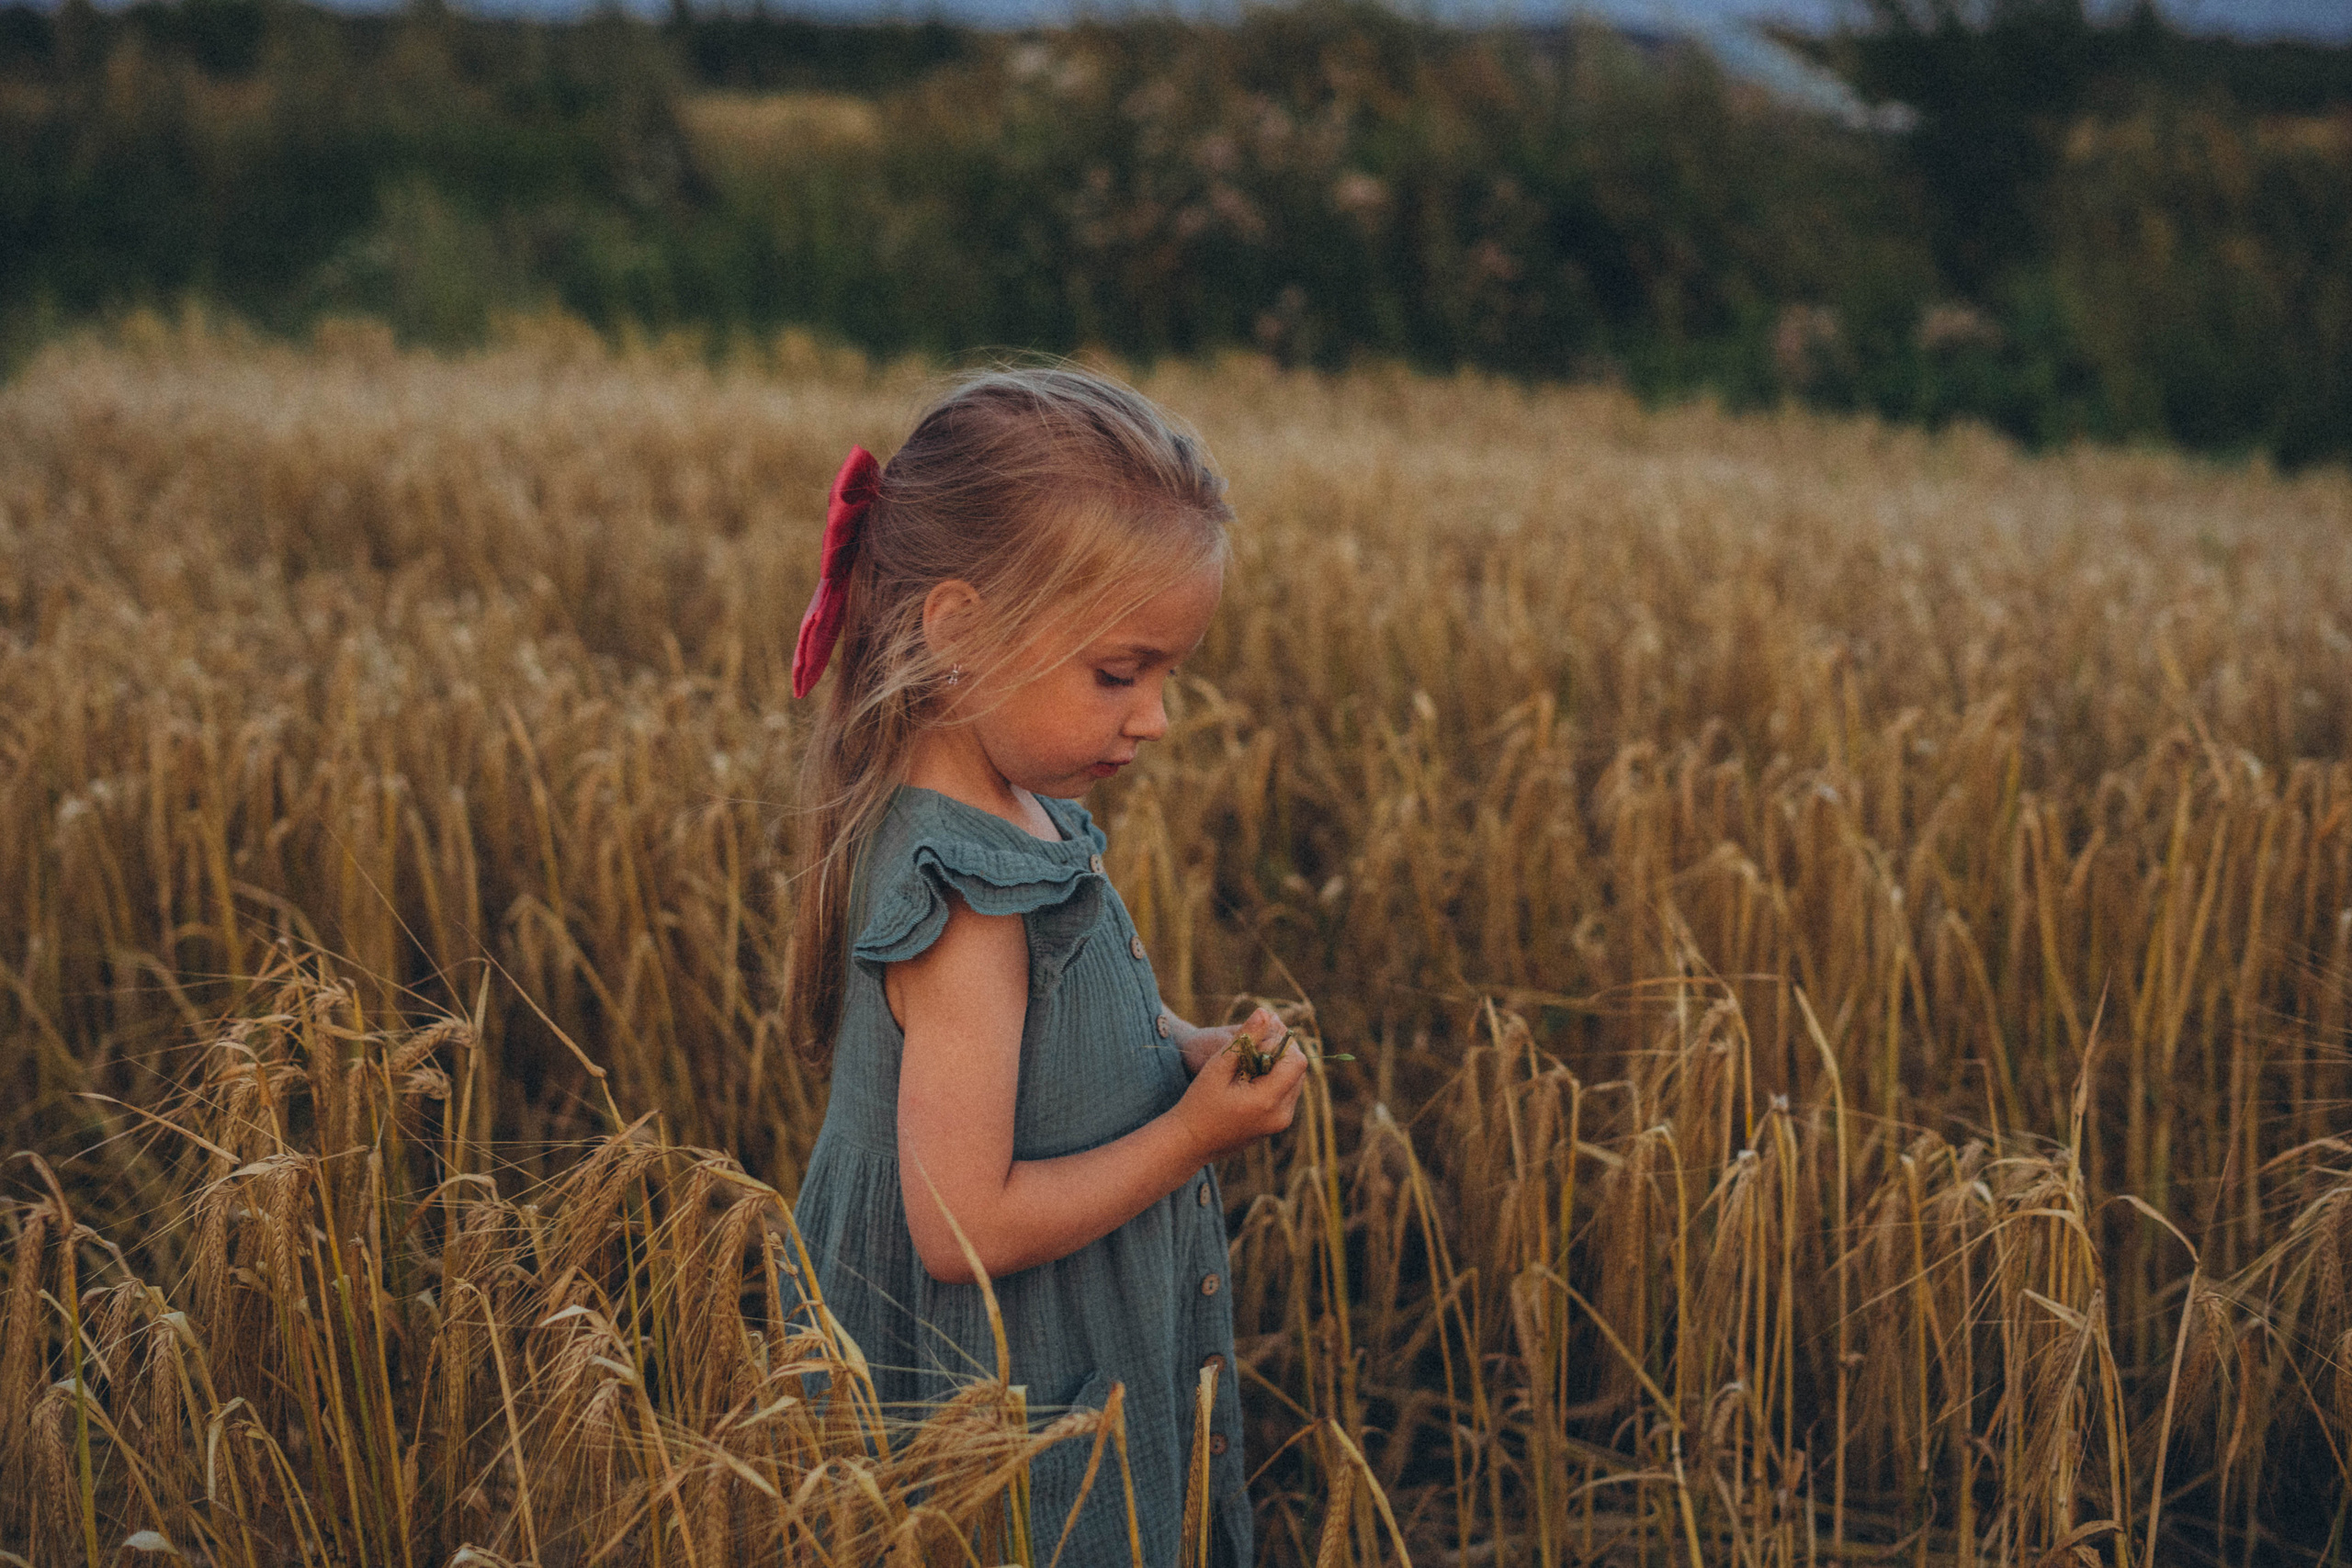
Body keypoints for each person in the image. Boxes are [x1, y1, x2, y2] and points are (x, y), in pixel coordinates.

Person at [780, 367, 1309, 1567]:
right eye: (1121, 674)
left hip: (1054, 1322)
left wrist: (1185, 1050)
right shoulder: (962, 903)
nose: (1158, 717)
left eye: (1169, 674)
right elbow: (960, 1226)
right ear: (960, 633)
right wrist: (1189, 1141)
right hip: (997, 1374)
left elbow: (1078, 1019)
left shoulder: (1023, 809)